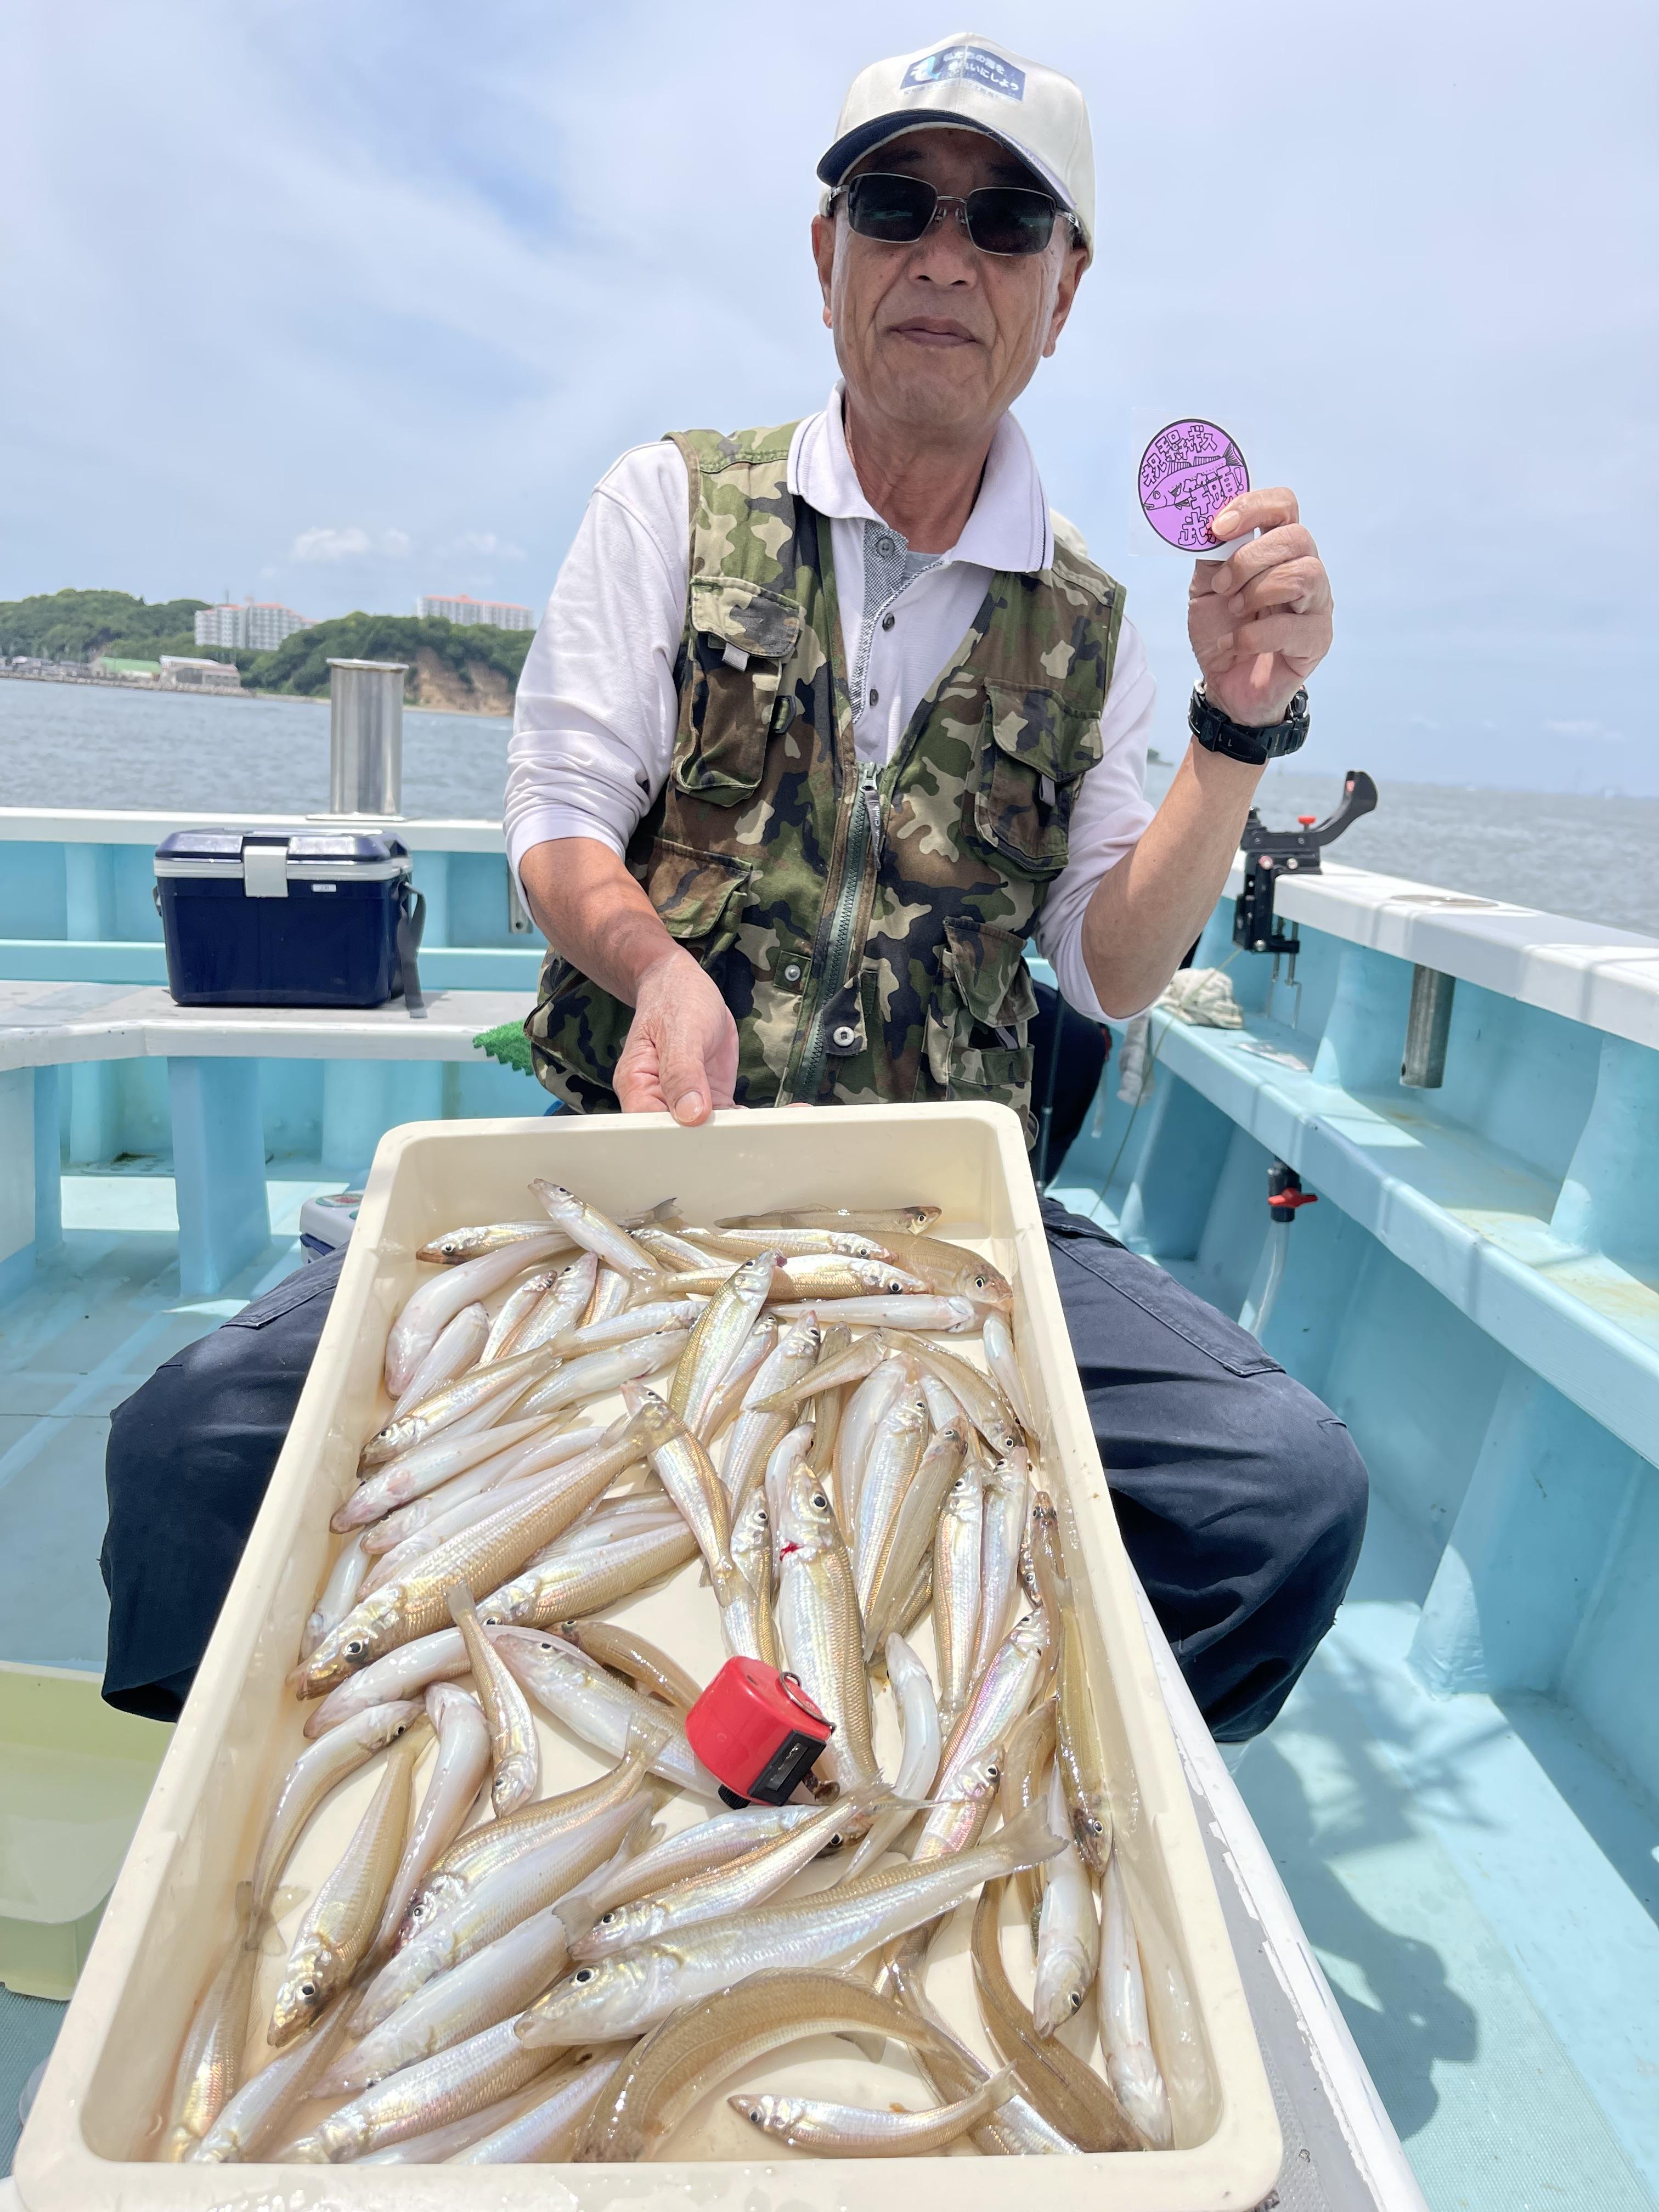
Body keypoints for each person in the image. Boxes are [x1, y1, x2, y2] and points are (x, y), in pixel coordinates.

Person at [102, 34, 1364, 1746]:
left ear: (1062, 293)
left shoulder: (1103, 630)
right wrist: (653, 965)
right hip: (617, 1175)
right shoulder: (671, 505)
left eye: (1005, 222)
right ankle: (313, 1788)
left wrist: (1239, 730)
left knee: (1280, 1499)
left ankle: (995, 1775)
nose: (944, 253)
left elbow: (1111, 967)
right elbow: (555, 820)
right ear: (826, 255)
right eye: (896, 203)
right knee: (192, 1450)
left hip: (929, 1224)